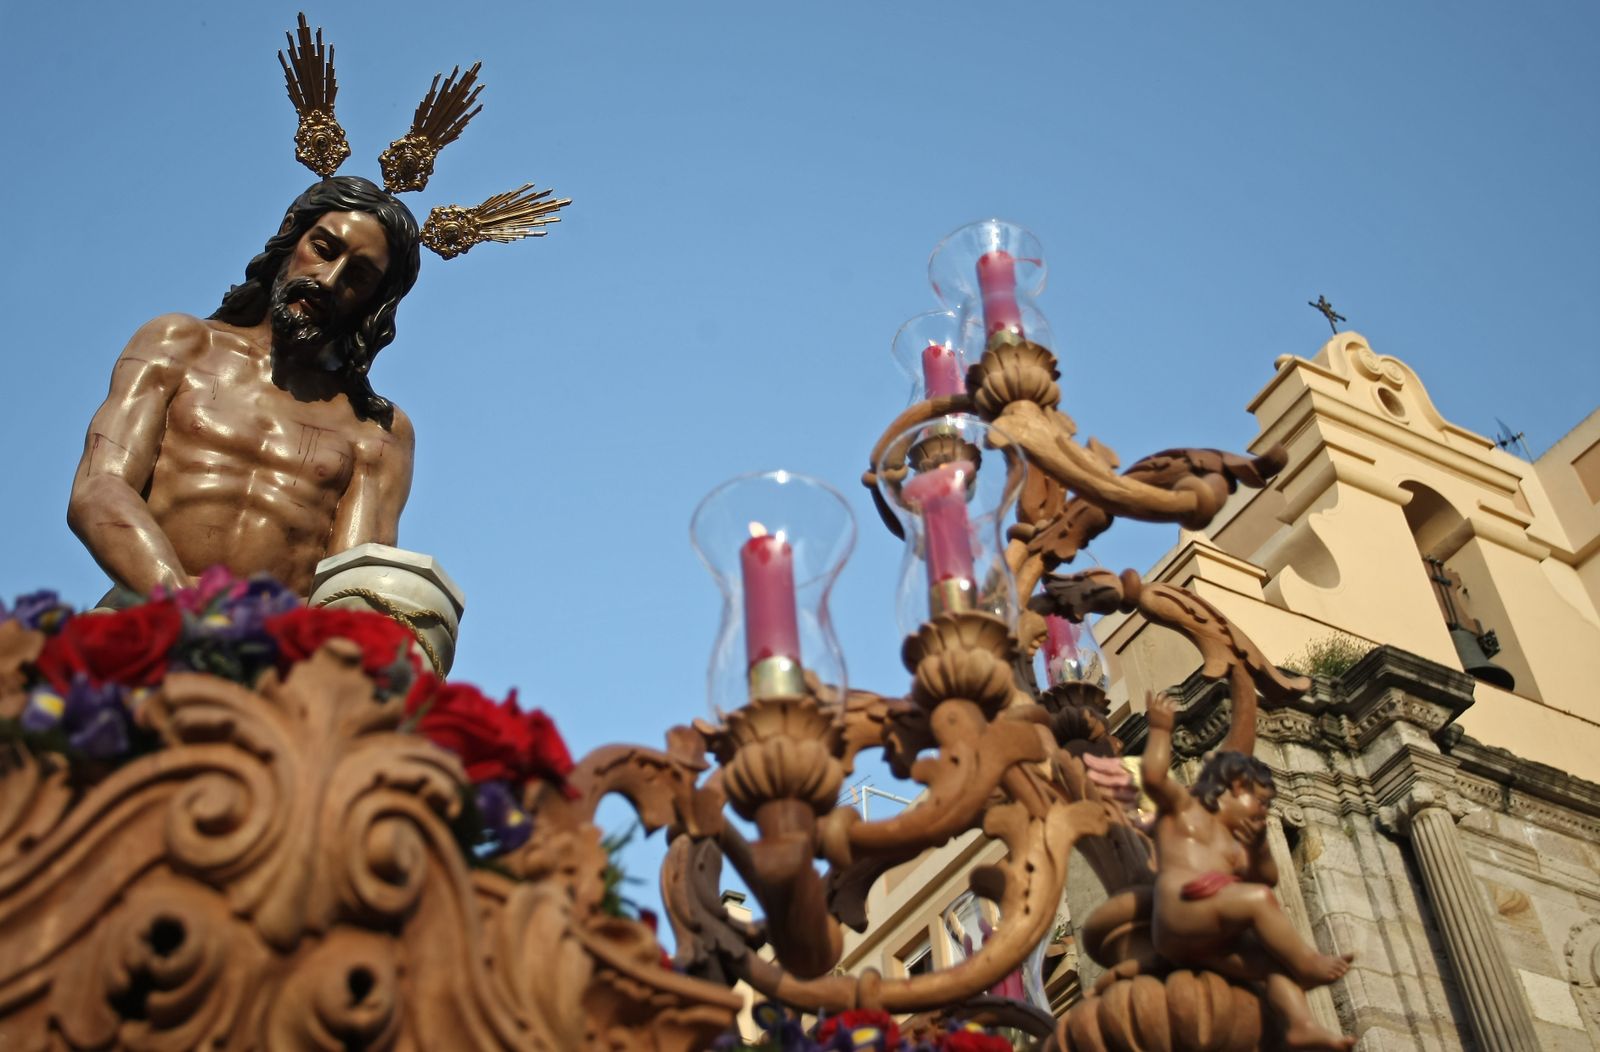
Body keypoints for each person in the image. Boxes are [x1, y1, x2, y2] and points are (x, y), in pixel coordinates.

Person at [68, 176, 423, 601]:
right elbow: (100, 488)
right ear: (291, 233)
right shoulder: (180, 344)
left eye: (359, 277)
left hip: (275, 648)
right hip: (147, 611)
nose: (328, 280)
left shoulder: (376, 430)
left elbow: (351, 585)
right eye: (323, 250)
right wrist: (189, 611)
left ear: (375, 300)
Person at [1142, 693, 1355, 1052]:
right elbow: (1153, 777)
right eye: (1261, 802)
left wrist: (1258, 846)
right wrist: (1161, 728)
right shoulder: (1186, 809)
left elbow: (1267, 876)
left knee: (1274, 961)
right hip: (1178, 916)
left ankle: (1300, 1025)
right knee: (1259, 903)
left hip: (1206, 942)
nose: (1263, 812)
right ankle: (1306, 963)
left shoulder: (1234, 842)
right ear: (1236, 787)